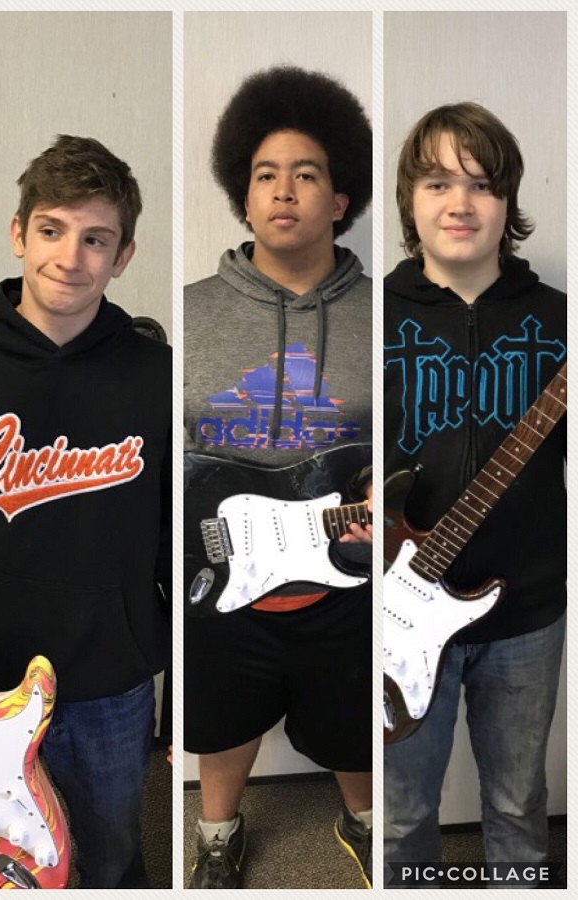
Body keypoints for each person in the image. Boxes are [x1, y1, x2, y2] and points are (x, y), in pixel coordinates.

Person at [183, 66, 373, 889]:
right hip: (219, 573)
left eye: (307, 173)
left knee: (355, 719)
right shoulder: (189, 311)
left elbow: (411, 450)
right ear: (243, 195)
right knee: (221, 719)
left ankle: (367, 821)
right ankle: (217, 833)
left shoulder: (386, 312)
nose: (284, 190)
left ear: (340, 200)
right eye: (266, 174)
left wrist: (383, 505)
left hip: (343, 573)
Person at [383, 102, 566, 888]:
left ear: (509, 204)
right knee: (400, 815)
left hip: (523, 611)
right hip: (395, 615)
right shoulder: (371, 317)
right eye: (437, 182)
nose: (460, 203)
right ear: (409, 200)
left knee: (519, 806)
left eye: (483, 184)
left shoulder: (559, 322)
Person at [0, 135, 172, 888]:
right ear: (18, 233)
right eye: (52, 230)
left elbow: (176, 539)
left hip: (109, 681)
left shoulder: (157, 374)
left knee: (108, 857)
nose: (71, 257)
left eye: (95, 239)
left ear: (123, 254)